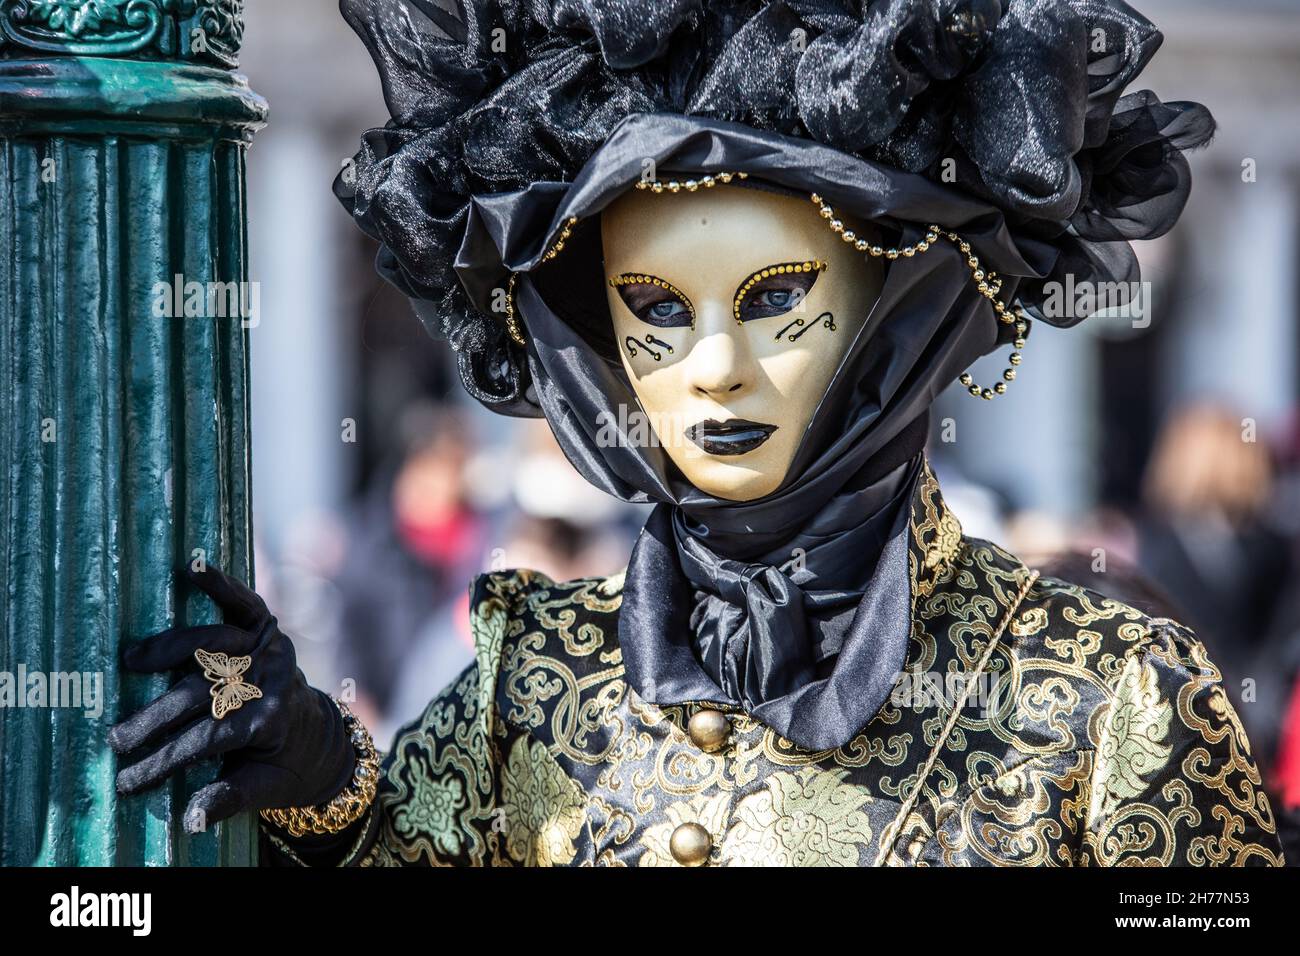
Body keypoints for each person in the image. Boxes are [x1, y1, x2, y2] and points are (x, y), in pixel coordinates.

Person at [108, 0, 1284, 866]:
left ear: (895, 311)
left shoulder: (1113, 690)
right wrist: (311, 766)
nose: (714, 367)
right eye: (657, 312)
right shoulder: (538, 671)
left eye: (775, 298)